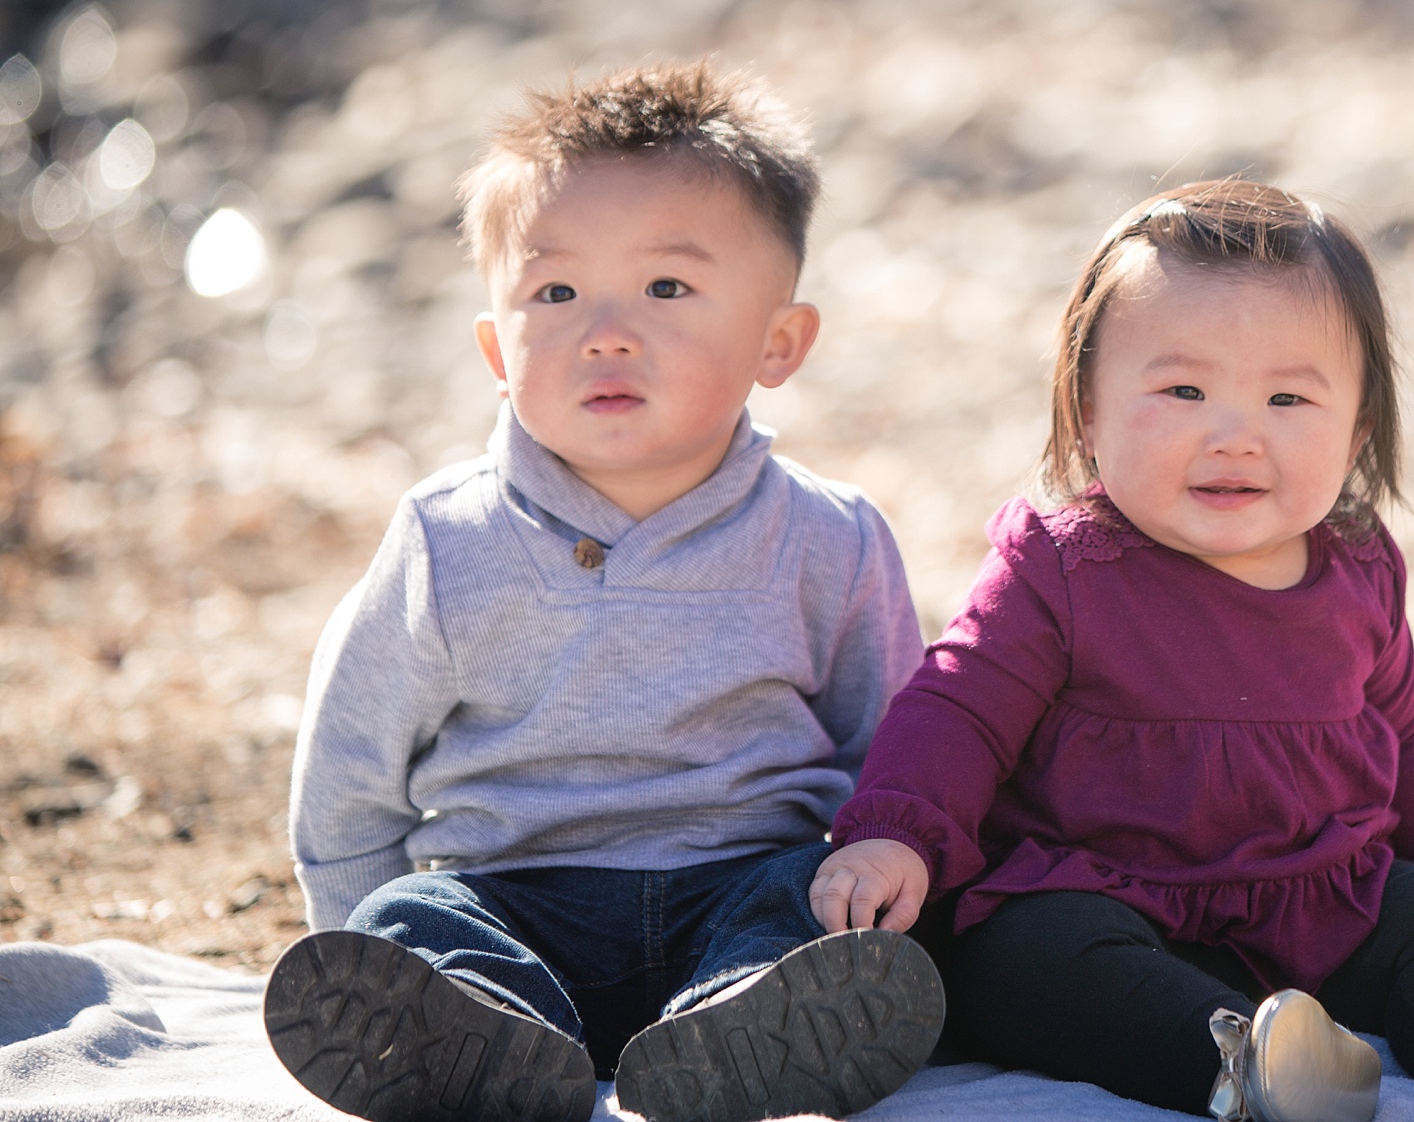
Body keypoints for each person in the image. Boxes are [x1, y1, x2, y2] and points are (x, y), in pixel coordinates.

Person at [808, 180, 1414, 1122]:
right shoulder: (1062, 565)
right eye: (1183, 390)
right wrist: (899, 827)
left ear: (1357, 431)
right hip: (1108, 895)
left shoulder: (1359, 567)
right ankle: (1243, 1063)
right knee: (1026, 962)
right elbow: (960, 701)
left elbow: (1405, 722)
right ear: (1086, 410)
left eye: (1288, 397)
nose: (1236, 434)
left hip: (1320, 900)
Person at [266, 61, 943, 1122]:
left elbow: (891, 749)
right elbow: (354, 761)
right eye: (555, 291)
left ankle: (744, 1031)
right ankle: (470, 1030)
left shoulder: (828, 539)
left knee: (800, 907)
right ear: (497, 349)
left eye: (666, 288)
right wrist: (352, 930)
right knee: (415, 912)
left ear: (779, 343)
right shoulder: (449, 540)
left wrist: (877, 857)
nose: (606, 330)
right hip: (510, 896)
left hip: (738, 881)